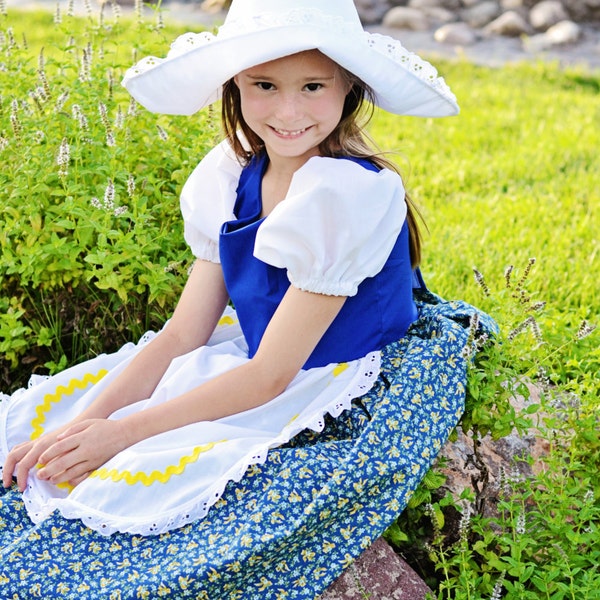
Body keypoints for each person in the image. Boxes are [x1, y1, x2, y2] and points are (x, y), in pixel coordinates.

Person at [0, 1, 495, 598]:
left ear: (349, 89)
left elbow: (268, 377)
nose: (288, 112)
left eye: (313, 86)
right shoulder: (231, 174)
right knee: (44, 436)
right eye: (265, 85)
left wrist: (123, 435)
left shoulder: (349, 194)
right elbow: (184, 334)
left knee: (154, 488)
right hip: (261, 354)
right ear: (236, 85)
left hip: (321, 372)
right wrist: (87, 423)